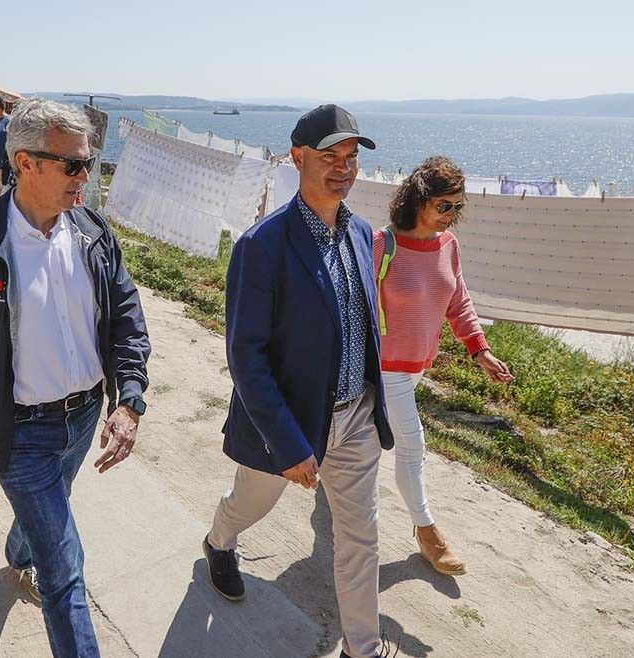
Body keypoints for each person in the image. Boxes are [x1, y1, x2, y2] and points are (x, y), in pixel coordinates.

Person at [0, 99, 150, 657]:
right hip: (19, 432)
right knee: (65, 568)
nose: (85, 177)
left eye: (89, 163)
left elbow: (126, 315)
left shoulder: (92, 232)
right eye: (73, 165)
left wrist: (129, 399)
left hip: (85, 415)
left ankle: (21, 551)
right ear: (26, 163)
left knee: (49, 512)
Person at [201, 105, 394, 658]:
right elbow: (247, 356)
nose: (343, 168)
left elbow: (361, 322)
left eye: (351, 157)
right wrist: (289, 443)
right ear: (297, 158)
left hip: (354, 415)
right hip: (287, 420)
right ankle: (218, 542)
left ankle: (364, 647)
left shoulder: (360, 232)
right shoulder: (262, 246)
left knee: (360, 537)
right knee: (251, 504)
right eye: (329, 156)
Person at [374, 155, 513, 576]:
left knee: (361, 436)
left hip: (416, 366)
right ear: (419, 200)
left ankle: (331, 467)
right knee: (411, 445)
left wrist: (480, 349)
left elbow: (458, 301)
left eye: (457, 206)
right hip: (382, 367)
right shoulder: (383, 244)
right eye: (444, 206)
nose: (452, 216)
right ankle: (427, 532)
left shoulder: (448, 246)